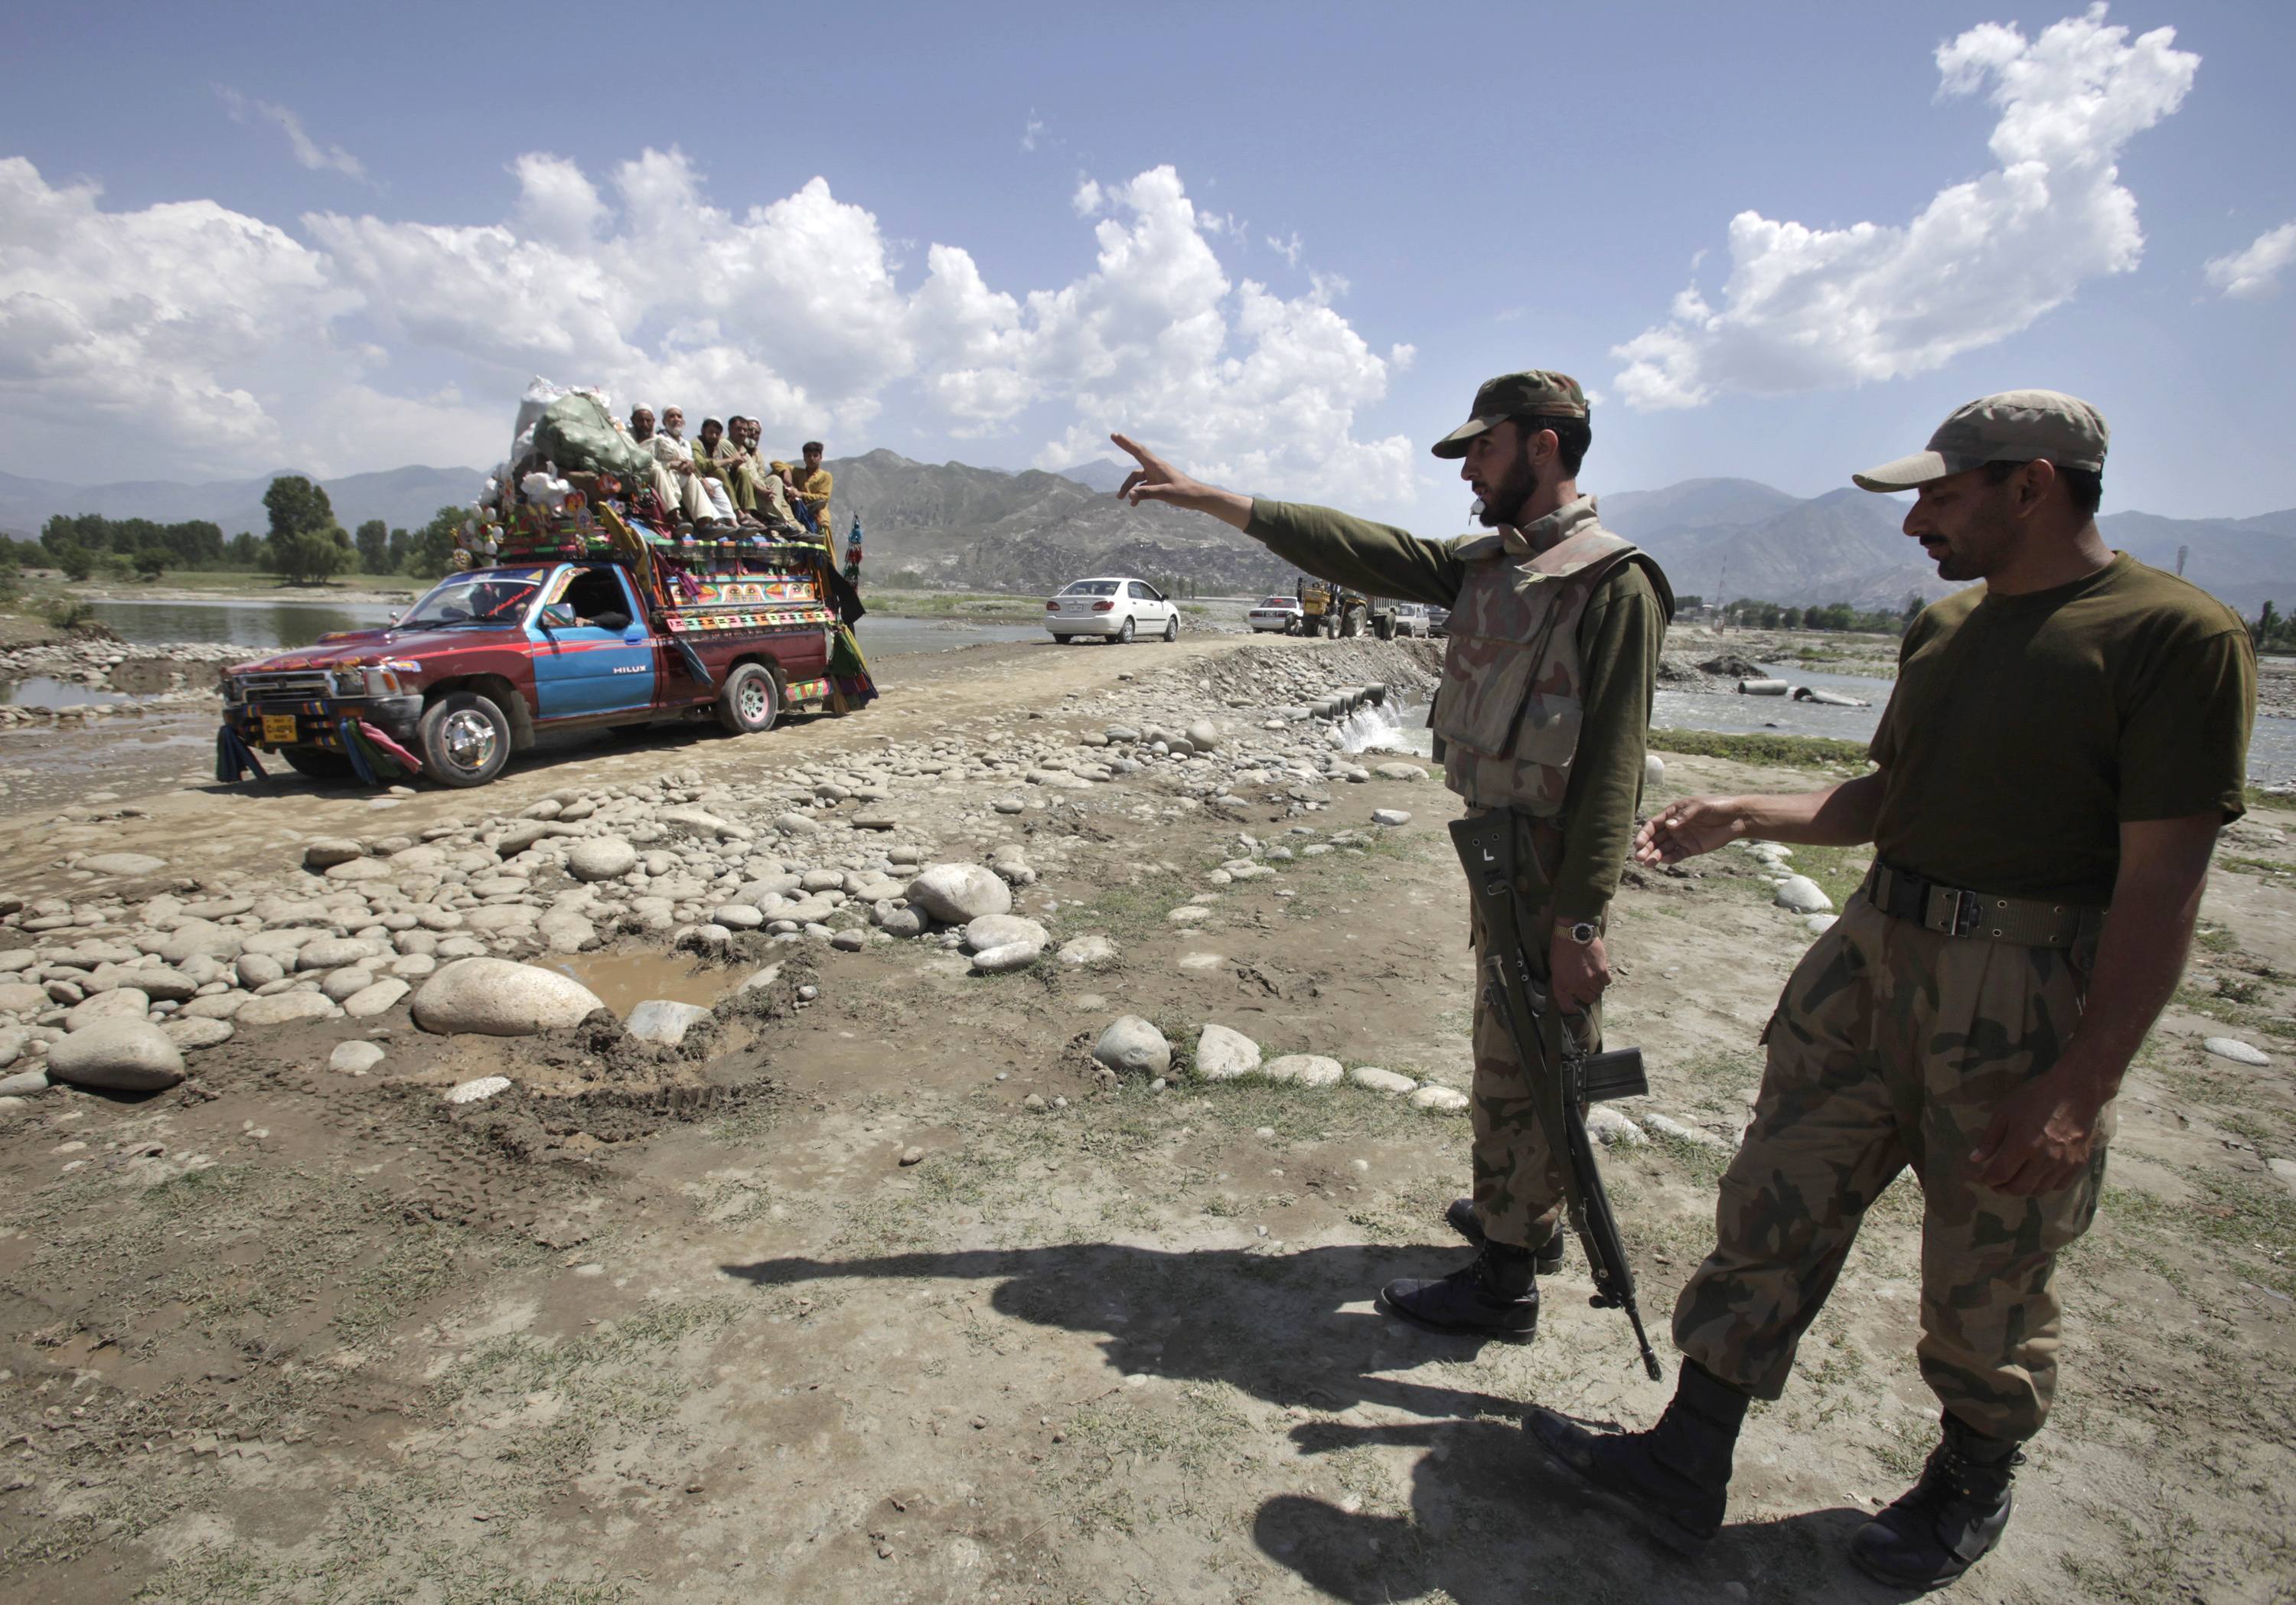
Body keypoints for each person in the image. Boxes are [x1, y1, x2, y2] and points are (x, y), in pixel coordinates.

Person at [1531, 391, 2256, 1589]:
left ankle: (1970, 1481)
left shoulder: (2173, 637)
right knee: (1775, 1194)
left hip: (2020, 996)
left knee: (1990, 1260)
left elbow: (2164, 883)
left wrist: (2084, 1079)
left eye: (1941, 492)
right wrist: (1744, 811)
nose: (1917, 520)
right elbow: (1884, 800)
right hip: (1870, 958)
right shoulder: (1946, 629)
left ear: (2032, 484)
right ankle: (1686, 1460)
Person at [1113, 371, 1671, 1337]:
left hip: (1548, 870)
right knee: (1514, 1042)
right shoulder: (1492, 565)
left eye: (1482, 452)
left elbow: (1614, 768)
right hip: (1498, 857)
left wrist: (1583, 918)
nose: (1469, 476)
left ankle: (1505, 1281)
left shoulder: (1612, 582)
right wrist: (1207, 496)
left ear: (1543, 447)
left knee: (1528, 1056)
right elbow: (1357, 546)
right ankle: (1524, 1220)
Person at [627, 405, 716, 528]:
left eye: (648, 420)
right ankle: (674, 515)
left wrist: (686, 464)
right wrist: (671, 465)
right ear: (633, 420)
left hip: (667, 475)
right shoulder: (628, 438)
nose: (644, 424)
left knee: (689, 477)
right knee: (657, 470)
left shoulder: (660, 440)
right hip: (641, 476)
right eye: (641, 420)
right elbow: (641, 462)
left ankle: (703, 522)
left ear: (653, 421)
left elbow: (680, 457)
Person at [659, 406, 736, 524]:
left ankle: (730, 522)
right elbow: (657, 463)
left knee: (713, 484)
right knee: (696, 480)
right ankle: (708, 522)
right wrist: (677, 465)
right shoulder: (660, 440)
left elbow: (693, 465)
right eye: (672, 416)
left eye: (679, 416)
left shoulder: (685, 444)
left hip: (687, 476)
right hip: (669, 475)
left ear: (683, 422)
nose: (676, 419)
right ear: (664, 421)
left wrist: (702, 479)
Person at [843, 514, 863, 589]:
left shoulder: (855, 532)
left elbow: (850, 538)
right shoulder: (860, 533)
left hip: (853, 549)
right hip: (856, 549)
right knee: (852, 563)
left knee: (852, 562)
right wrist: (857, 519)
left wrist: (856, 519)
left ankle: (850, 581)